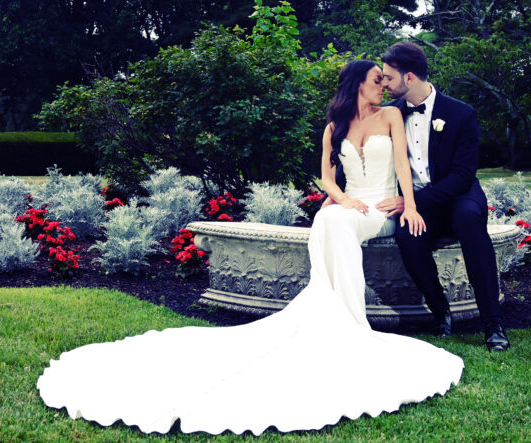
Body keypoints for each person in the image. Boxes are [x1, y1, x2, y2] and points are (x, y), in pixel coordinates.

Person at [36, 60, 463, 435]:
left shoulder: (390, 116)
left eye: (382, 81)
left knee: (334, 218)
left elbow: (403, 165)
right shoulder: (335, 127)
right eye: (374, 80)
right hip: (351, 204)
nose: (382, 86)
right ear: (355, 85)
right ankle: (339, 315)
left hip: (383, 206)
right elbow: (326, 179)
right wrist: (343, 197)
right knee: (329, 216)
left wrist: (408, 204)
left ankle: (351, 323)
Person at [373, 42, 509, 351]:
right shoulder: (388, 114)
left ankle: (493, 323)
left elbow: (463, 175)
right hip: (419, 202)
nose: (384, 84)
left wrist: (410, 203)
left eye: (389, 78)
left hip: (459, 195)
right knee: (408, 236)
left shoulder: (461, 114)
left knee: (469, 220)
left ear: (409, 78)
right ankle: (440, 312)